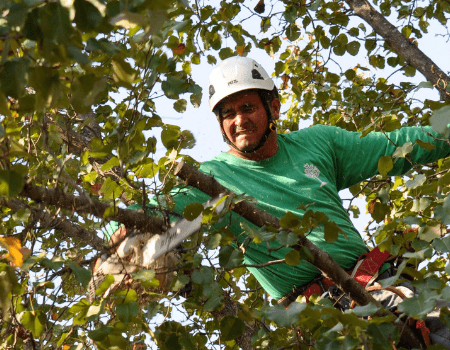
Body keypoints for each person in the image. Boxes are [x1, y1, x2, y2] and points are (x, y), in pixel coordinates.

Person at [103, 56, 450, 346]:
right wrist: (125, 227)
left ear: (273, 107)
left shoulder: (319, 144)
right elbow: (163, 211)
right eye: (227, 113)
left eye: (247, 107)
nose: (239, 120)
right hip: (324, 316)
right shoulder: (213, 181)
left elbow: (396, 146)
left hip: (383, 283)